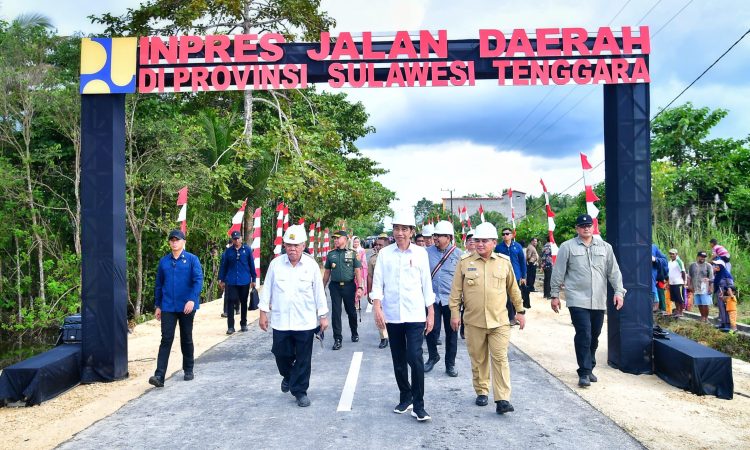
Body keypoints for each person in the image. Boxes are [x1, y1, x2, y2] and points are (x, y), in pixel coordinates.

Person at [449, 222, 525, 415]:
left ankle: (502, 399)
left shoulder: (503, 262)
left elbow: (513, 289)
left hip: (499, 321)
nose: (480, 244)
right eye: (477, 241)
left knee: (500, 358)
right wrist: (454, 314)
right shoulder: (465, 262)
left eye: (484, 241)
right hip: (473, 321)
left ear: (494, 242)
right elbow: (456, 292)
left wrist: (520, 311)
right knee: (478, 358)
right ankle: (482, 390)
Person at [370, 210, 435, 422]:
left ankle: (419, 404)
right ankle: (405, 396)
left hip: (416, 313)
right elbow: (378, 282)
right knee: (398, 359)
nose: (400, 233)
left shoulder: (420, 254)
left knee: (415, 358)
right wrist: (377, 307)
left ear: (411, 231)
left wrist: (431, 311)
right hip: (393, 315)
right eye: (396, 228)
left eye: (404, 229)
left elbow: (426, 283)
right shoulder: (385, 254)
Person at [550, 214, 626, 388]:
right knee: (584, 333)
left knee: (594, 335)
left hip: (599, 299)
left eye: (589, 225)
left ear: (594, 227)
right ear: (577, 229)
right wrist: (554, 295)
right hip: (577, 298)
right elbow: (558, 272)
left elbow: (614, 272)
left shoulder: (605, 247)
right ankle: (584, 372)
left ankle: (589, 366)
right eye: (582, 226)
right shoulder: (567, 247)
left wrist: (619, 292)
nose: (586, 228)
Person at [259, 225, 329, 407]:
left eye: (296, 245)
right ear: (284, 245)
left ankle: (300, 391)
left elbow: (319, 292)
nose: (292, 249)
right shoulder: (276, 265)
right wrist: (263, 313)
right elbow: (267, 290)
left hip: (305, 321)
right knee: (281, 354)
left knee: (304, 358)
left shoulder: (311, 266)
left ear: (304, 245)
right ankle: (288, 375)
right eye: (289, 245)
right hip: (281, 321)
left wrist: (323, 316)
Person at [148, 230, 204, 388]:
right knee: (166, 338)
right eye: (171, 240)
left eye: (177, 240)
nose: (174, 243)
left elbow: (198, 280)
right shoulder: (164, 262)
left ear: (183, 242)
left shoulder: (192, 259)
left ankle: (188, 368)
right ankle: (159, 375)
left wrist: (192, 299)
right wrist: (158, 305)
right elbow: (159, 284)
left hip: (186, 305)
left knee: (186, 336)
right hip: (168, 306)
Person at [425, 221, 461, 377]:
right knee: (430, 329)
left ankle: (450, 364)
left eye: (439, 235)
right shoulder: (426, 252)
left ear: (449, 237)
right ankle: (433, 356)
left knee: (452, 333)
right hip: (432, 298)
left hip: (451, 300)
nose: (436, 238)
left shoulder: (459, 254)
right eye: (435, 235)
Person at [323, 230, 363, 350]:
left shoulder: (353, 254)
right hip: (335, 287)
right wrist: (321, 288)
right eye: (334, 238)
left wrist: (360, 287)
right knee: (336, 313)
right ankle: (337, 339)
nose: (335, 240)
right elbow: (327, 273)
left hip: (349, 286)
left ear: (345, 239)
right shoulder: (331, 254)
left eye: (338, 238)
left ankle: (354, 332)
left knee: (351, 311)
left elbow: (357, 271)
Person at [218, 230, 257, 334]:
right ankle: (230, 326)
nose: (236, 240)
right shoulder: (228, 251)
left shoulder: (247, 250)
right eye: (234, 239)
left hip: (244, 280)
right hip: (231, 280)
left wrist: (254, 279)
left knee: (244, 302)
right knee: (230, 302)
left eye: (238, 238)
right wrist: (221, 279)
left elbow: (251, 265)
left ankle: (243, 324)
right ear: (232, 240)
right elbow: (224, 265)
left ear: (241, 238)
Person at [494, 227, 526, 323]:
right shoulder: (499, 247)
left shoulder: (518, 246)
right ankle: (511, 317)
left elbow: (522, 262)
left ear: (512, 235)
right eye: (503, 234)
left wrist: (524, 276)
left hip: (516, 275)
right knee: (506, 297)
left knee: (515, 295)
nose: (505, 236)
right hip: (503, 275)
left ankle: (516, 314)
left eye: (507, 234)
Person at [368, 234, 390, 349]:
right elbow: (370, 276)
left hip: (391, 291)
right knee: (379, 314)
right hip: (379, 291)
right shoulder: (373, 259)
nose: (378, 247)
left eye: (381, 245)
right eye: (377, 245)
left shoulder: (393, 256)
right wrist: (369, 291)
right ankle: (384, 338)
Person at [687, 251, 713, 322]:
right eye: (701, 256)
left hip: (705, 287)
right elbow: (689, 277)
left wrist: (710, 288)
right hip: (695, 287)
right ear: (698, 256)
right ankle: (702, 317)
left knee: (705, 303)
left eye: (704, 257)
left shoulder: (708, 266)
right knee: (699, 303)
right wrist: (689, 286)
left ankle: (706, 318)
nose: (702, 258)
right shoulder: (692, 265)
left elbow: (711, 278)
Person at [712, 259, 733, 330]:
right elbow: (716, 281)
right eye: (715, 265)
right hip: (719, 294)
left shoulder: (726, 274)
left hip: (724, 295)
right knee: (721, 309)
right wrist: (709, 280)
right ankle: (723, 323)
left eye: (717, 265)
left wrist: (725, 291)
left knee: (725, 309)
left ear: (721, 266)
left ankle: (727, 324)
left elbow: (731, 285)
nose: (715, 266)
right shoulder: (718, 274)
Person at [667, 249, 687, 317]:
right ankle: (677, 311)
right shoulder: (669, 262)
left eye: (673, 254)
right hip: (672, 283)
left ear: (676, 254)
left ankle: (681, 312)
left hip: (679, 283)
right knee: (675, 298)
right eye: (670, 254)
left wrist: (684, 282)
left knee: (680, 298)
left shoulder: (679, 261)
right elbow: (669, 273)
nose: (671, 255)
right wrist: (668, 283)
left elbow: (683, 272)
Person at [651, 244, 668, 313]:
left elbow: (664, 261)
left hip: (652, 285)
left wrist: (655, 259)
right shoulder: (630, 246)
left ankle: (662, 309)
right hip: (633, 287)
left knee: (659, 297)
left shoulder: (653, 247)